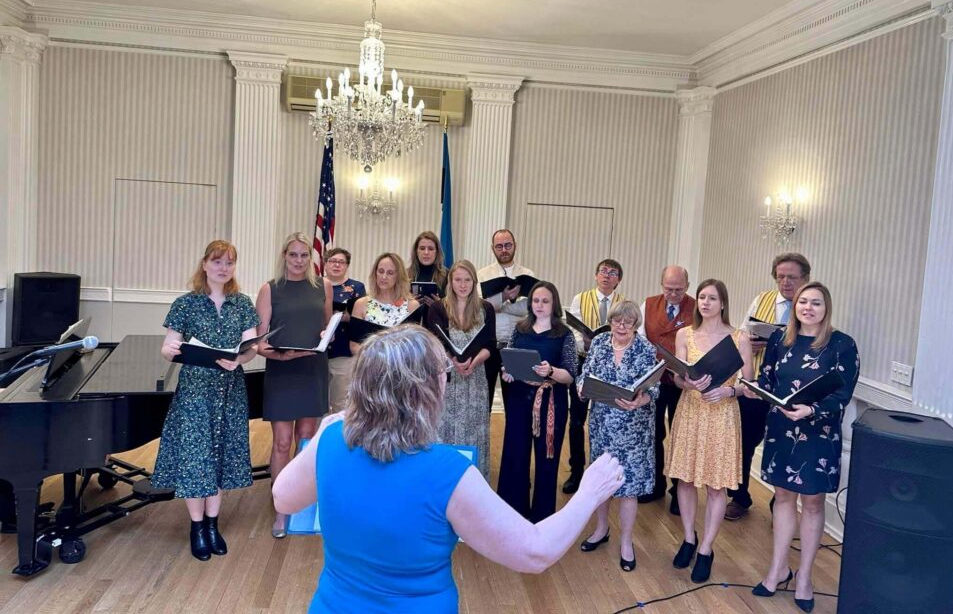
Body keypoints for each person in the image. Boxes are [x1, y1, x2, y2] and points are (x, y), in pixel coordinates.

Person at [272, 326, 626, 614]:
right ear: (424, 389)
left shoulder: (330, 439)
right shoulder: (446, 471)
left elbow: (283, 499)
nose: (446, 380)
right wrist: (589, 492)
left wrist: (326, 431)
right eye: (442, 373)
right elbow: (534, 552)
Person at [746, 282, 859, 613]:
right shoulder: (780, 339)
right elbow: (768, 379)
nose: (808, 308)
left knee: (812, 503)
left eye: (816, 303)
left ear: (827, 308)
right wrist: (756, 388)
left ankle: (805, 578)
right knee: (782, 498)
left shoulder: (842, 344)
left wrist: (812, 410)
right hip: (781, 429)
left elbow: (842, 394)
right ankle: (778, 570)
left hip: (818, 434)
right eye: (803, 302)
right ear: (795, 306)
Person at [155, 240, 260, 561]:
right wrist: (171, 349)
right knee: (196, 458)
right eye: (217, 262)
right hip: (195, 392)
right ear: (204, 265)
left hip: (230, 389)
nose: (223, 268)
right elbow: (168, 347)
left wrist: (240, 358)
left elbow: (252, 347)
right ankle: (197, 527)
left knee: (221, 455)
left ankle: (213, 525)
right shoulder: (186, 303)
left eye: (229, 263)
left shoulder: (242, 303)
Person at [666, 279, 753, 583]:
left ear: (723, 303)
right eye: (702, 297)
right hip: (691, 410)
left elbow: (749, 385)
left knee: (717, 486)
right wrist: (686, 382)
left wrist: (729, 392)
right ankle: (689, 538)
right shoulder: (685, 334)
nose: (705, 302)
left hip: (722, 414)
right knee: (685, 479)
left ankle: (706, 549)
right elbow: (677, 378)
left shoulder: (740, 338)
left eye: (712, 298)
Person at [255, 232, 334, 538]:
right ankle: (282, 507)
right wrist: (281, 355)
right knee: (282, 442)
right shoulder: (270, 288)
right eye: (293, 255)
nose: (299, 261)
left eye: (304, 255)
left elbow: (325, 327)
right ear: (284, 256)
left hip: (312, 368)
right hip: (282, 370)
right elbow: (260, 341)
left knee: (306, 438)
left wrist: (326, 336)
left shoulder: (323, 286)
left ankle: (301, 499)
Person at [727, 252, 812, 522]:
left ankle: (781, 505)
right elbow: (741, 334)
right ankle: (739, 497)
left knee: (786, 446)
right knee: (743, 443)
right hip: (755, 386)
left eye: (792, 277)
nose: (785, 282)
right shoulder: (761, 300)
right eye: (781, 276)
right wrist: (748, 344)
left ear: (805, 278)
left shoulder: (810, 306)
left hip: (790, 391)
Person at [576, 300, 658, 572]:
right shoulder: (600, 343)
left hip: (634, 428)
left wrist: (642, 399)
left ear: (636, 324)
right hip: (602, 424)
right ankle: (601, 529)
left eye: (628, 322)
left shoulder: (645, 348)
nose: (621, 326)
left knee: (628, 487)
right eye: (616, 321)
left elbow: (654, 389)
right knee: (603, 481)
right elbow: (584, 375)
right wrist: (581, 388)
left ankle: (626, 542)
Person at [497, 281, 578, 522]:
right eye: (535, 300)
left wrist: (550, 371)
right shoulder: (520, 329)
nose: (539, 305)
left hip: (551, 400)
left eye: (545, 301)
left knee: (547, 460)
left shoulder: (564, 334)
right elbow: (509, 360)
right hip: (519, 399)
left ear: (554, 304)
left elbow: (570, 375)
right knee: (515, 456)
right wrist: (508, 372)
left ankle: (542, 518)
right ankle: (512, 515)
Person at [425, 260, 496, 478]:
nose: (462, 285)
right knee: (445, 429)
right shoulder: (438, 308)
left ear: (474, 282)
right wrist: (453, 361)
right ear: (450, 281)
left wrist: (474, 362)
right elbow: (434, 343)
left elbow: (490, 344)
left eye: (467, 280)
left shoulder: (485, 308)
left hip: (475, 378)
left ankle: (473, 480)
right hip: (447, 377)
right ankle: (444, 480)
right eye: (458, 280)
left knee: (474, 430)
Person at [563, 258, 626, 495]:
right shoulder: (580, 298)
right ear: (595, 275)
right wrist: (585, 343)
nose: (607, 276)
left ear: (618, 280)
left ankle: (606, 472)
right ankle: (576, 471)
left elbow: (629, 333)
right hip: (583, 363)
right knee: (577, 419)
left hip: (611, 368)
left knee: (608, 420)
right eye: (603, 271)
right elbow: (572, 330)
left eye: (612, 273)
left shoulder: (624, 303)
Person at [641, 265, 696, 515]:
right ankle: (655, 485)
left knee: (680, 436)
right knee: (653, 433)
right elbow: (641, 340)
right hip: (654, 380)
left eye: (679, 290)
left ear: (687, 286)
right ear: (661, 284)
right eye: (668, 289)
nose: (673, 294)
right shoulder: (648, 304)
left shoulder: (696, 308)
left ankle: (678, 491)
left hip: (682, 382)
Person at [477, 229, 535, 411]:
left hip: (516, 345)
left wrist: (498, 304)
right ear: (492, 248)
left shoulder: (527, 274)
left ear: (514, 245)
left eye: (508, 245)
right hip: (488, 345)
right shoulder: (482, 274)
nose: (504, 250)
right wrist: (504, 297)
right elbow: (480, 308)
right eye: (499, 246)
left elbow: (528, 308)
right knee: (483, 403)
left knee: (515, 404)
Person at [322, 247, 366, 412]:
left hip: (343, 350)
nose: (336, 265)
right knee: (318, 404)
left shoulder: (356, 288)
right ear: (325, 264)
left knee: (341, 403)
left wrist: (348, 317)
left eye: (341, 262)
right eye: (333, 261)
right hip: (317, 351)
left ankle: (340, 430)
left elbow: (363, 319)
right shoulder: (316, 285)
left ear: (347, 265)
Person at [349, 253, 420, 355]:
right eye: (380, 271)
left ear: (399, 276)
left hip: (401, 361)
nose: (384, 277)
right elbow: (354, 345)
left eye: (390, 273)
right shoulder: (361, 304)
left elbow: (414, 344)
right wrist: (377, 359)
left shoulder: (412, 306)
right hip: (369, 361)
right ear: (375, 273)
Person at [407, 230, 448, 300]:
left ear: (437, 252)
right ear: (416, 251)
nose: (426, 252)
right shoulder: (405, 275)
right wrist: (408, 302)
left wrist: (440, 304)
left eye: (431, 249)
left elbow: (453, 304)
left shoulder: (447, 276)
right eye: (422, 248)